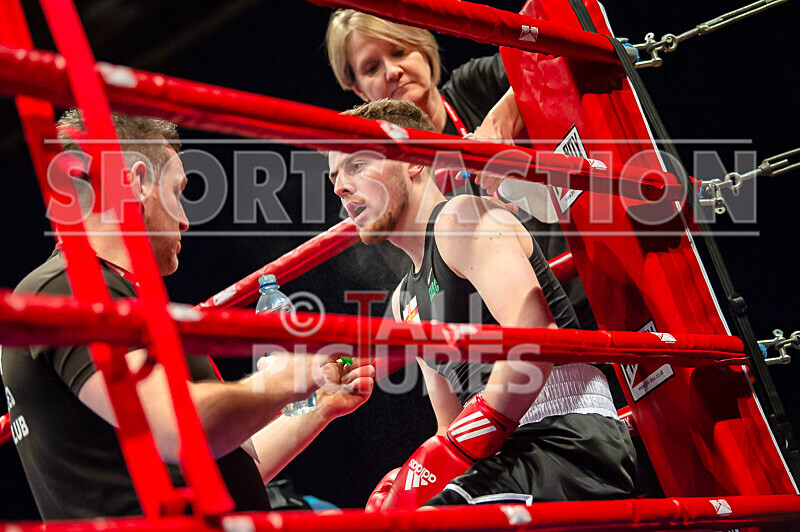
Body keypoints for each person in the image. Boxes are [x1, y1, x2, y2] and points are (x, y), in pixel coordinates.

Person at [1, 111, 374, 520]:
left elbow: (226, 466)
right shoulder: (68, 287)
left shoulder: (121, 300)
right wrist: (286, 379)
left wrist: (320, 408)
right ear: (138, 183)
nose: (185, 220)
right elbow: (179, 430)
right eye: (177, 192)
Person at [328, 99, 635, 507]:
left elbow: (535, 340)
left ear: (413, 160)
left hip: (566, 435)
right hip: (501, 452)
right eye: (334, 175)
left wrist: (463, 442)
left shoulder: (461, 218)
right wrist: (413, 476)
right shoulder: (405, 300)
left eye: (356, 165)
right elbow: (448, 427)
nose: (339, 186)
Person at [324, 9, 597, 331]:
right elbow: (435, 297)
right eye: (372, 68)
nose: (393, 71)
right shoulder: (383, 193)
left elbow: (561, 49)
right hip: (513, 326)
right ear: (359, 91)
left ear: (424, 49)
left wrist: (503, 117)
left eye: (399, 51)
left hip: (592, 280)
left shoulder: (473, 86)